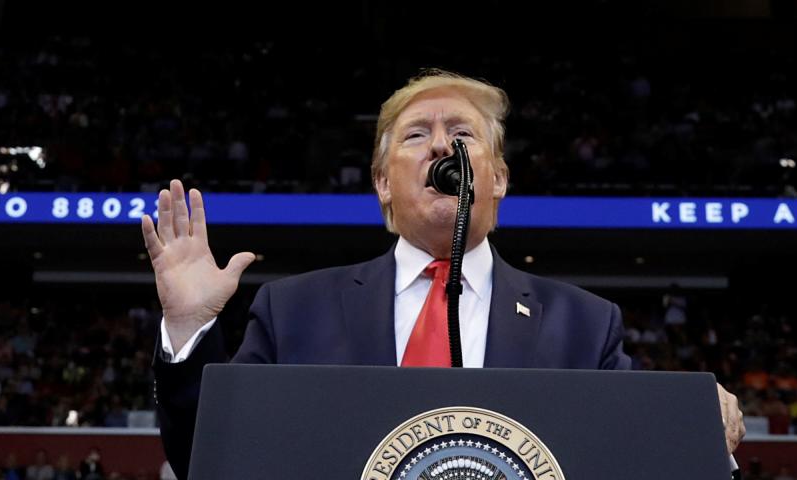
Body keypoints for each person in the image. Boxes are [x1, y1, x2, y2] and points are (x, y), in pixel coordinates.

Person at [142, 70, 745, 478]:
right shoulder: (293, 309)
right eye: (416, 135)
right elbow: (209, 456)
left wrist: (698, 425)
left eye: (461, 135)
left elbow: (631, 455)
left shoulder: (584, 323)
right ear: (382, 184)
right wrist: (189, 331)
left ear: (498, 178)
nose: (440, 148)